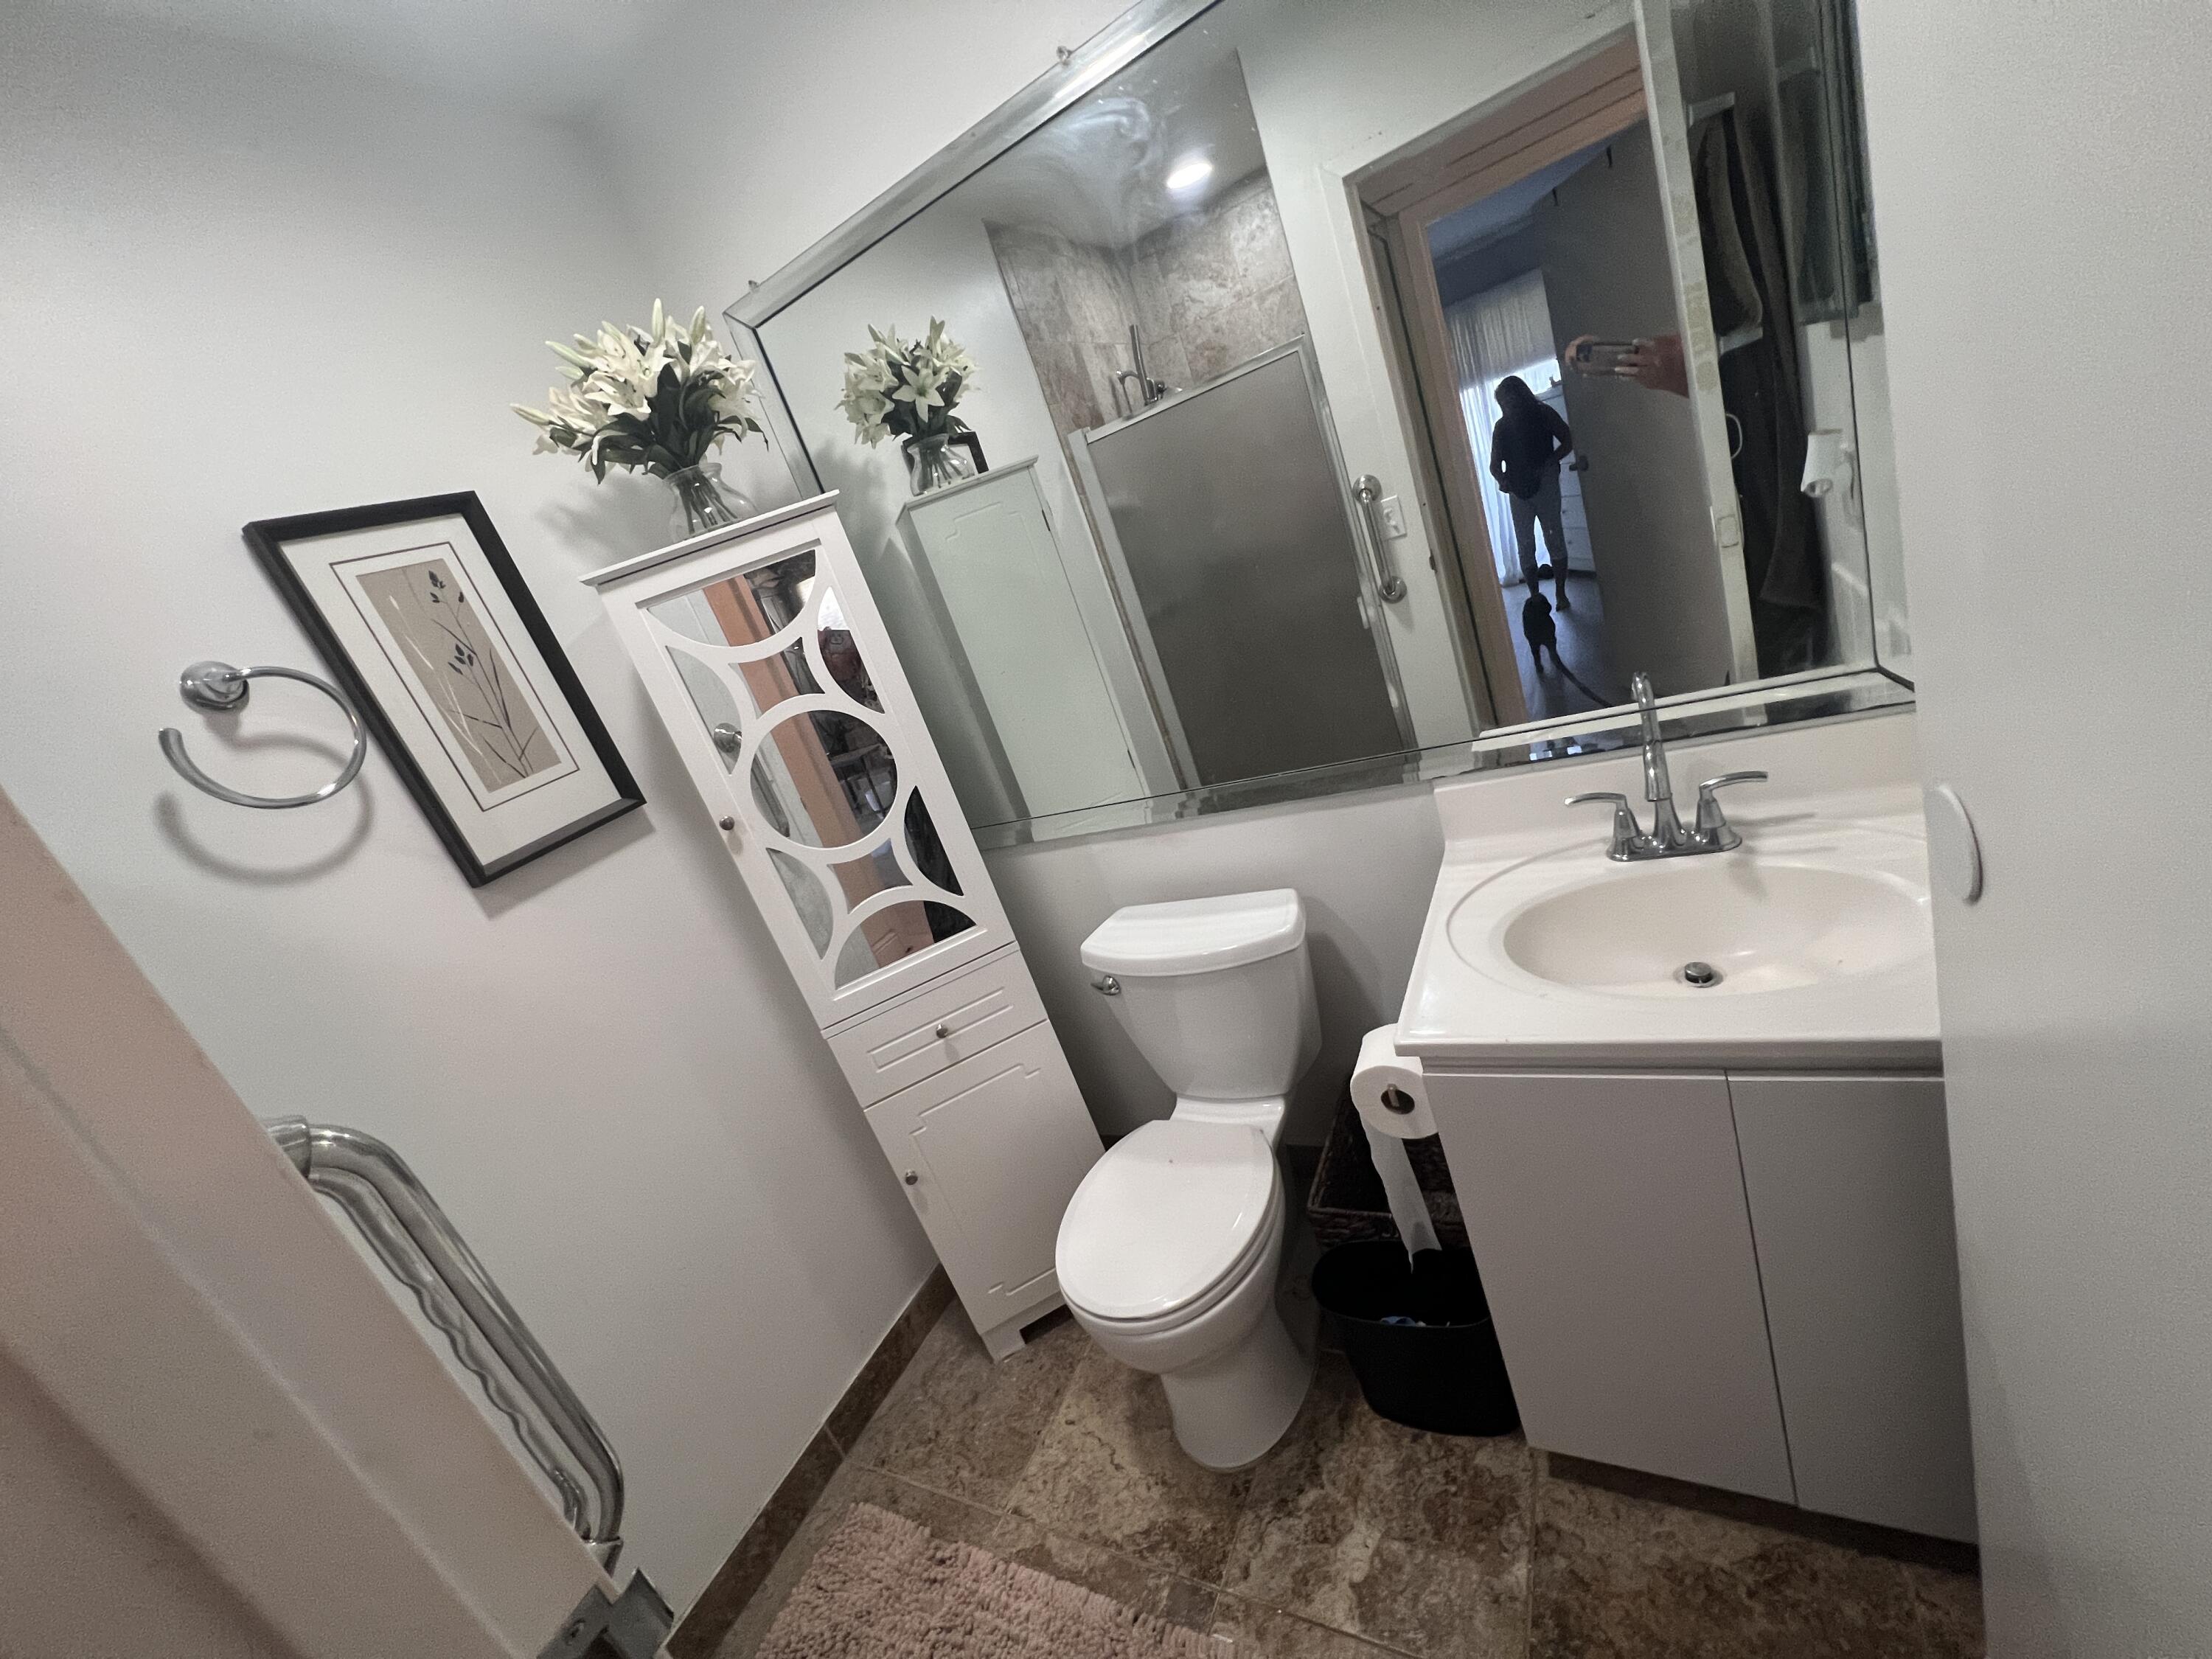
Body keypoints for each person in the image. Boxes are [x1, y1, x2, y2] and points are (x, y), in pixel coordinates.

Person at [1489, 375, 1574, 608]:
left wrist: (1552, 460)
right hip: (1518, 488)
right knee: (1526, 545)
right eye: (1503, 404)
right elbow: (1494, 466)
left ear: (1519, 397)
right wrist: (1502, 480)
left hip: (1545, 483)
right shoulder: (1502, 426)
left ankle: (1560, 594)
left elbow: (1568, 438)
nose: (1507, 407)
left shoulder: (1543, 413)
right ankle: (1535, 595)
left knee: (1553, 538)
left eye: (1509, 402)